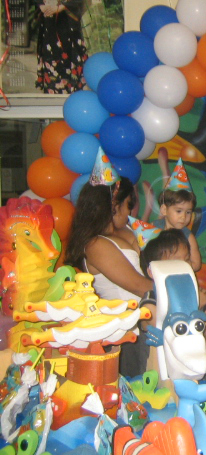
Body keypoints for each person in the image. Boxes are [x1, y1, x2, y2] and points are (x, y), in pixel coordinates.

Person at [65, 158, 154, 378]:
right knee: (137, 385)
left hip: (146, 320)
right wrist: (177, 291)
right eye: (128, 205)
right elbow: (138, 285)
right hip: (126, 329)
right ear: (114, 204)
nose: (130, 211)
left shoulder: (123, 233)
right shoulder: (96, 245)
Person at [142, 229, 206, 376]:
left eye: (187, 259)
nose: (185, 266)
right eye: (176, 261)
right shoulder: (150, 301)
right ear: (152, 271)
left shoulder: (198, 295)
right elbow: (168, 334)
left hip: (195, 372)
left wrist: (195, 355)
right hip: (159, 376)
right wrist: (195, 307)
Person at [36, 0, 88, 93]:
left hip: (67, 21)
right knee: (51, 55)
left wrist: (62, 6)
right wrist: (41, 5)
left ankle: (73, 90)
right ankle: (52, 89)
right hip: (49, 21)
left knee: (70, 54)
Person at [153, 159, 202, 271]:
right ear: (164, 210)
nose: (183, 217)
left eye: (188, 212)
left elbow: (196, 264)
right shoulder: (154, 229)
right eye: (179, 211)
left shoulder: (187, 236)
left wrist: (178, 265)